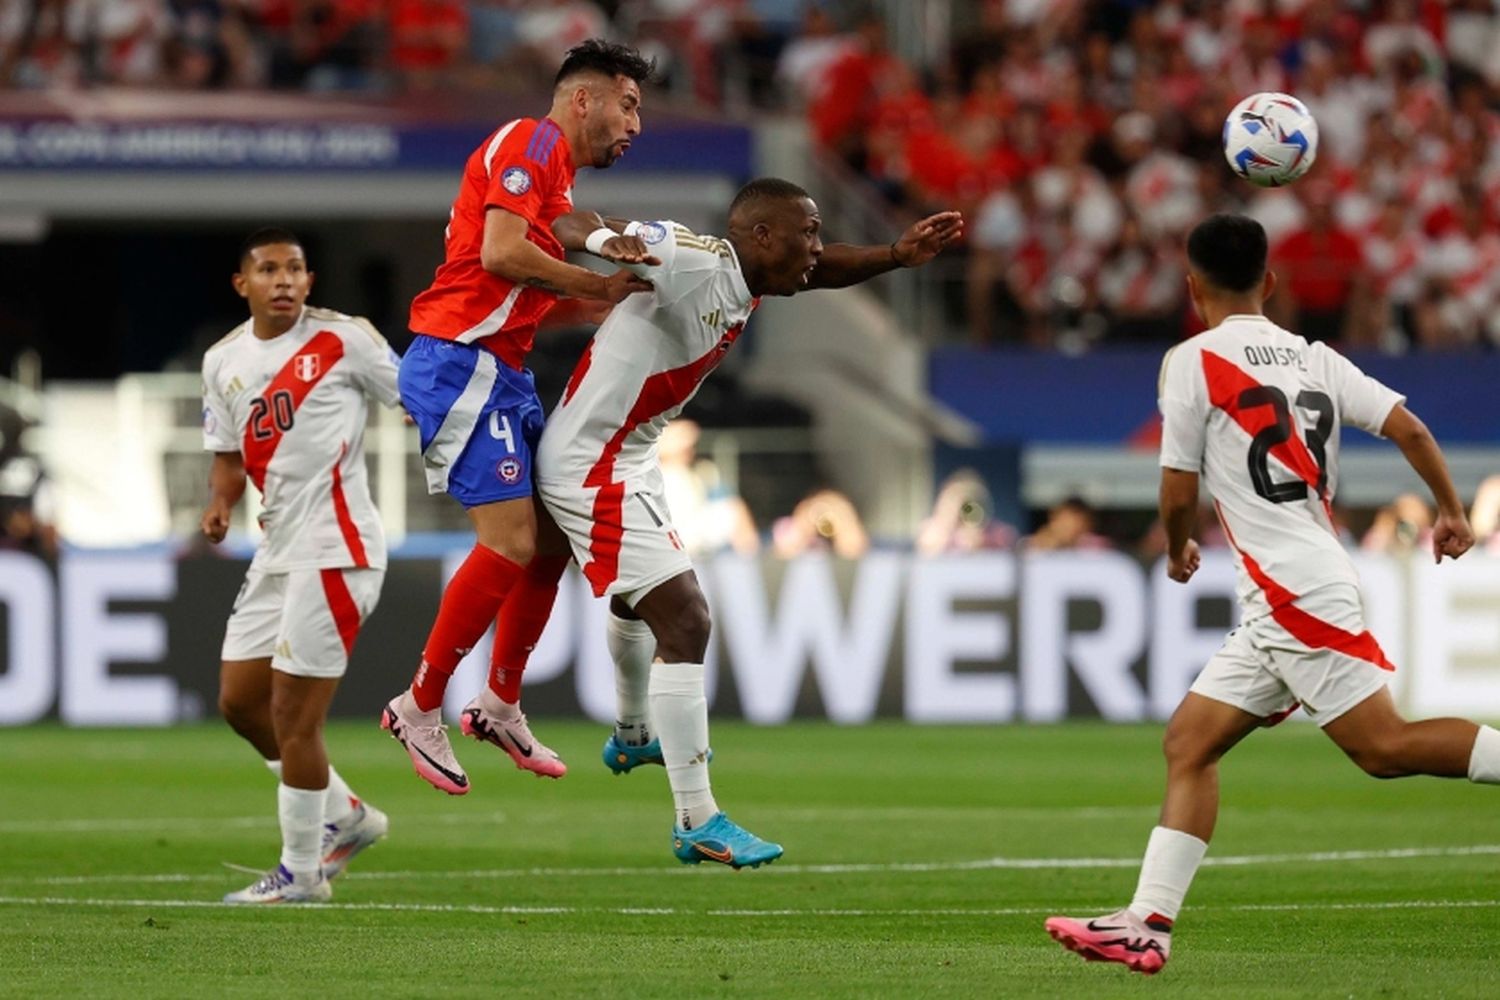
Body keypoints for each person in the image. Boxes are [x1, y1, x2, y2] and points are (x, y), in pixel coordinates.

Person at [1045, 213, 1486, 975]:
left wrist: (1178, 539)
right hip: (1293, 584)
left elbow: (1177, 478)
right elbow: (1410, 429)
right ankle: (1147, 923)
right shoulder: (1316, 357)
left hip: (1294, 589)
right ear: (1270, 282)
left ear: (1191, 288)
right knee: (1190, 742)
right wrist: (1451, 509)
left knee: (1382, 748)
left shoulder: (1192, 360)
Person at [532, 178, 962, 866]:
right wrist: (607, 242)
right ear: (760, 237)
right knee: (687, 619)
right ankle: (695, 818)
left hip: (628, 453)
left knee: (641, 601)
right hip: (595, 459)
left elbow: (824, 273)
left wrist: (894, 254)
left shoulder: (748, 278)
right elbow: (566, 222)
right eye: (808, 234)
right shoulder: (694, 255)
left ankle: (637, 728)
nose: (818, 249)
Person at [379, 39, 656, 795]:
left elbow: (556, 248)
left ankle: (500, 700)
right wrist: (600, 286)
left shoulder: (554, 172)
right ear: (583, 100)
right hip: (459, 359)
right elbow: (503, 254)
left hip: (499, 368)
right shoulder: (529, 140)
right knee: (506, 543)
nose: (636, 124)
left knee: (550, 542)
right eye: (628, 105)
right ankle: (420, 703)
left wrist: (616, 282)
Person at [201, 228, 403, 904]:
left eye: (294, 269)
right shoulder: (222, 361)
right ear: (243, 284)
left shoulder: (347, 339)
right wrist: (219, 504)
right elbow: (229, 454)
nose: (283, 280)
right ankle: (345, 817)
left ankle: (302, 874)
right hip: (278, 548)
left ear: (310, 281)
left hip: (338, 546)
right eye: (267, 269)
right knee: (241, 701)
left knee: (294, 715)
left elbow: (415, 399)